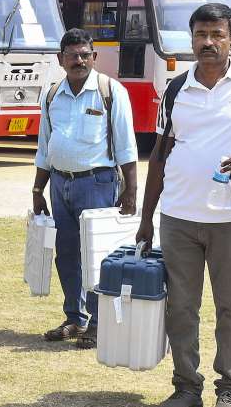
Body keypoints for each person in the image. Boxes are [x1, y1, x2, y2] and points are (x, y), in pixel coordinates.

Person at [136, 3, 231, 407]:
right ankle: (187, 387)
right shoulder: (175, 88)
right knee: (181, 307)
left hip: (230, 218)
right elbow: (159, 156)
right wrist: (146, 218)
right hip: (178, 218)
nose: (208, 42)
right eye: (201, 35)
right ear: (191, 39)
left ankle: (230, 389)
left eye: (217, 35)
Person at [32, 27, 138, 349]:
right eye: (72, 55)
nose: (79, 60)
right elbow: (44, 146)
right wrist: (38, 190)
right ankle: (74, 318)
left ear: (94, 57)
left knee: (97, 256)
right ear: (60, 59)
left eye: (84, 55)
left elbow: (127, 146)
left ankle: (97, 323)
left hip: (98, 183)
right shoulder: (51, 95)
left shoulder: (111, 91)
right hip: (60, 184)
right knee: (65, 254)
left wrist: (131, 190)